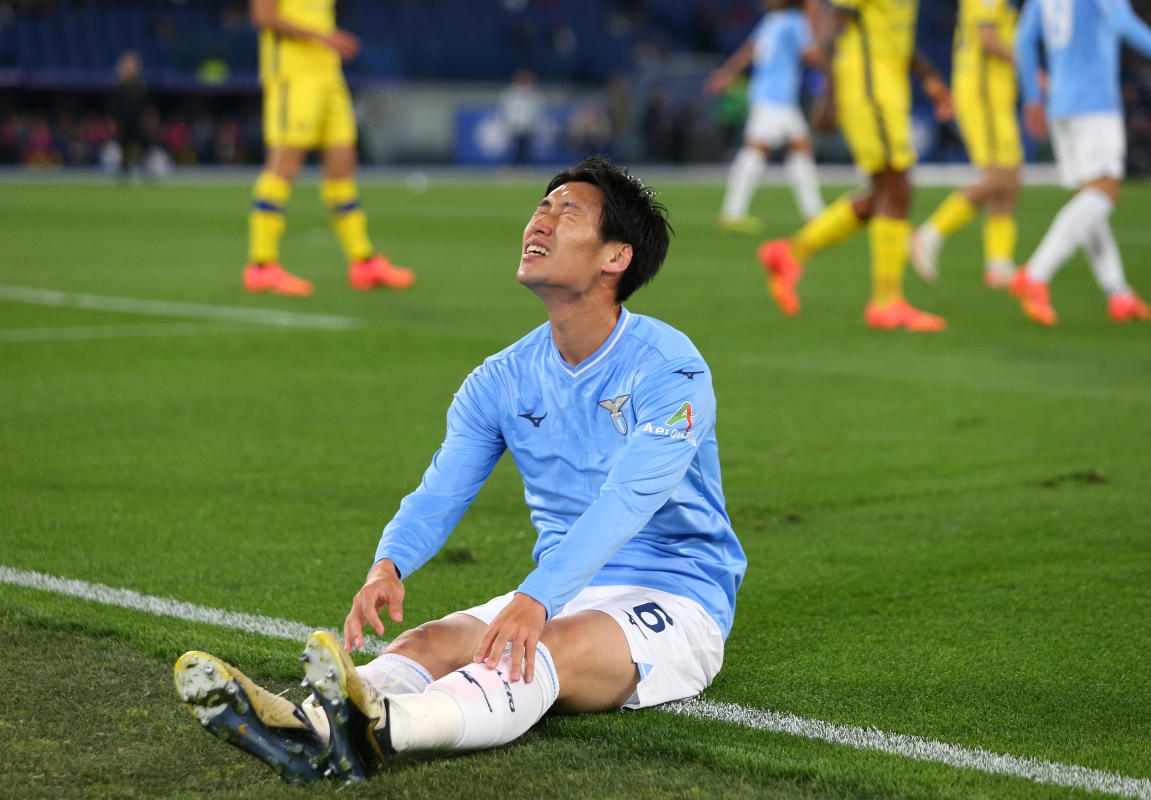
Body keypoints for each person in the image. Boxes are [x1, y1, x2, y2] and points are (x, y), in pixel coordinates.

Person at [173, 157, 747, 784]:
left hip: (675, 591)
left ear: (616, 257)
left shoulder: (670, 367)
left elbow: (628, 500)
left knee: (532, 653)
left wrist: (536, 596)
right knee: (426, 642)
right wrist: (388, 564)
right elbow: (441, 489)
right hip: (565, 586)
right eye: (541, 207)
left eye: (567, 212)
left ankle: (381, 731)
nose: (541, 221)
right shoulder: (500, 377)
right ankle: (300, 725)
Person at [755, 0, 955, 330]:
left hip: (887, 85)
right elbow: (831, 21)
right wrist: (829, 95)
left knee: (883, 194)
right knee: (898, 187)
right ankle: (886, 301)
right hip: (867, 89)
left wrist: (929, 78)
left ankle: (790, 253)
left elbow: (893, 35)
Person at [1009, 0, 1151, 325]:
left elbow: (1022, 41)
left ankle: (1119, 294)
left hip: (1061, 107)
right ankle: (1036, 274)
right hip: (1095, 103)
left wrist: (1032, 97)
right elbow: (1123, 23)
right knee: (1103, 195)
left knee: (1090, 201)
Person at [243, 0, 414, 297]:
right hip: (292, 75)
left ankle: (363, 261)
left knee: (342, 165)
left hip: (328, 75)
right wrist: (324, 36)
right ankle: (261, 264)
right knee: (285, 163)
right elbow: (263, 15)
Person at [910, 0, 1023, 290]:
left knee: (1010, 180)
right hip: (983, 94)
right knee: (999, 176)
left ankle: (999, 263)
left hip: (996, 94)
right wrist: (1029, 64)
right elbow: (987, 40)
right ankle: (930, 234)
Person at [706, 0, 825, 234]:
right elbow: (813, 56)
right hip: (776, 99)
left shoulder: (771, 21)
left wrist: (726, 73)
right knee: (758, 150)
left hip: (769, 96)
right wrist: (815, 18)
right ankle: (733, 212)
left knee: (799, 147)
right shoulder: (795, 22)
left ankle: (814, 211)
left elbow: (750, 49)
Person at [107, 51, 150, 178]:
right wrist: (113, 122)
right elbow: (112, 106)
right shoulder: (118, 86)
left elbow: (146, 105)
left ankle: (142, 166)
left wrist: (147, 118)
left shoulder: (141, 86)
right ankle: (124, 168)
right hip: (123, 122)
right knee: (123, 144)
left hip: (137, 121)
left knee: (141, 144)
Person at [500, 69, 544, 166]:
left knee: (527, 150)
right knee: (514, 150)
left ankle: (526, 168)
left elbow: (537, 111)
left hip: (528, 126)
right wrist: (508, 125)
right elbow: (506, 110)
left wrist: (534, 125)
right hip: (515, 126)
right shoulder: (511, 93)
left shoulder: (534, 94)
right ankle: (514, 168)